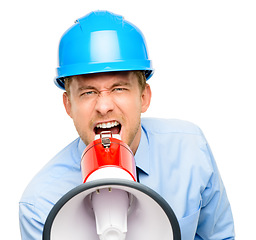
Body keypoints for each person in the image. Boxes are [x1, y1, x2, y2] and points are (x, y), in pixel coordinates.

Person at [19, 10, 235, 239]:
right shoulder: (40, 206)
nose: (104, 106)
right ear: (68, 105)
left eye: (119, 88)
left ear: (144, 97)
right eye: (88, 92)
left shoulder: (191, 151)